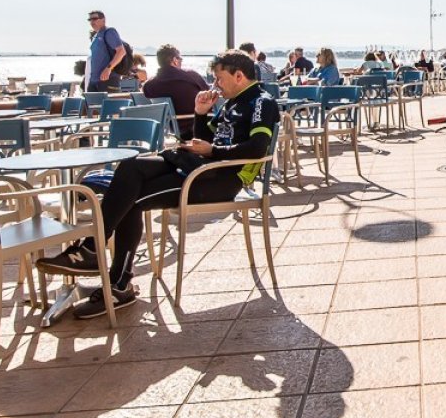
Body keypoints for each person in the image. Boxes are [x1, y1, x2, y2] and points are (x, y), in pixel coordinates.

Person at [42, 50, 279, 318]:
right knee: (131, 167)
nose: (216, 84)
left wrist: (213, 151)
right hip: (200, 168)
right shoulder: (230, 103)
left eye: (220, 78)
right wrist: (200, 114)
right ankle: (97, 257)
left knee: (129, 199)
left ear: (239, 76)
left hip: (220, 179)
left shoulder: (261, 101)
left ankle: (114, 278)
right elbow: (205, 140)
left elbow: (257, 147)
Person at [144, 44, 211, 136]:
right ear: (175, 60)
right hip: (196, 126)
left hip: (169, 129)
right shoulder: (191, 76)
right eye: (180, 59)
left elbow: (145, 91)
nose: (181, 62)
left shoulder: (150, 85)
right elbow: (208, 92)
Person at [85, 10, 129, 91]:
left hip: (108, 81)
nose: (92, 22)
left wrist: (108, 68)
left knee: (107, 104)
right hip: (94, 81)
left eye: (95, 19)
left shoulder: (109, 32)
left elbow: (121, 51)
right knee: (90, 103)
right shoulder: (96, 36)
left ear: (103, 20)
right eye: (90, 20)